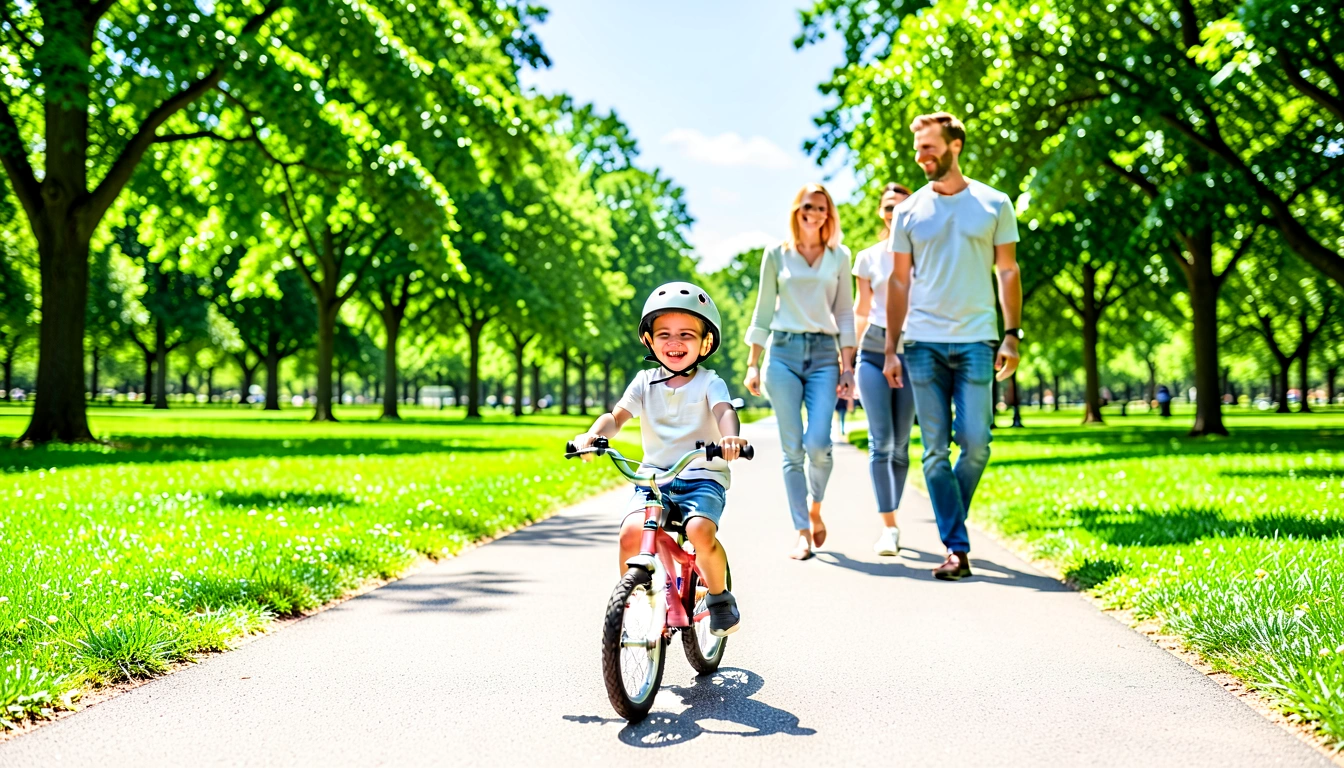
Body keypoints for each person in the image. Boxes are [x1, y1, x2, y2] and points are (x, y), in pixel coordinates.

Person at [882, 112, 1023, 581]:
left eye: (929, 147)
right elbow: (899, 283)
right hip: (922, 342)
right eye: (918, 148)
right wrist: (891, 348)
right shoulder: (908, 212)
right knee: (935, 451)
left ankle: (952, 520)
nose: (921, 157)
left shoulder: (994, 203)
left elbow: (1007, 271)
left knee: (978, 444)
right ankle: (957, 548)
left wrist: (1012, 333)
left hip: (978, 340)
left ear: (955, 145)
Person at [572, 282, 750, 636]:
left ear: (705, 343)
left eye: (686, 334)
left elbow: (724, 411)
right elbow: (616, 417)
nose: (674, 342)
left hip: (702, 475)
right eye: (664, 334)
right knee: (629, 534)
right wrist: (592, 435)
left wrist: (731, 437)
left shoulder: (709, 382)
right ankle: (637, 603)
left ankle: (718, 597)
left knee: (699, 530)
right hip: (654, 479)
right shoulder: (644, 382)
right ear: (649, 341)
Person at [744, 183, 857, 561]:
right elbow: (762, 311)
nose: (815, 213)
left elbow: (844, 313)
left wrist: (848, 366)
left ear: (829, 214)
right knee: (792, 451)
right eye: (809, 206)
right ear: (797, 210)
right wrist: (752, 363)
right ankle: (801, 532)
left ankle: (816, 507)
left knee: (818, 445)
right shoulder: (776, 254)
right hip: (784, 354)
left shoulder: (840, 256)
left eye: (823, 208)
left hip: (825, 355)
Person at [852, 182, 915, 556]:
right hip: (873, 350)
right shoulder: (868, 257)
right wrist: (849, 358)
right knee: (882, 442)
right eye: (890, 207)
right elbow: (862, 309)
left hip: (913, 350)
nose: (895, 213)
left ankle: (893, 511)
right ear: (882, 212)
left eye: (903, 207)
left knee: (902, 445)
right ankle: (889, 526)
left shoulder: (925, 254)